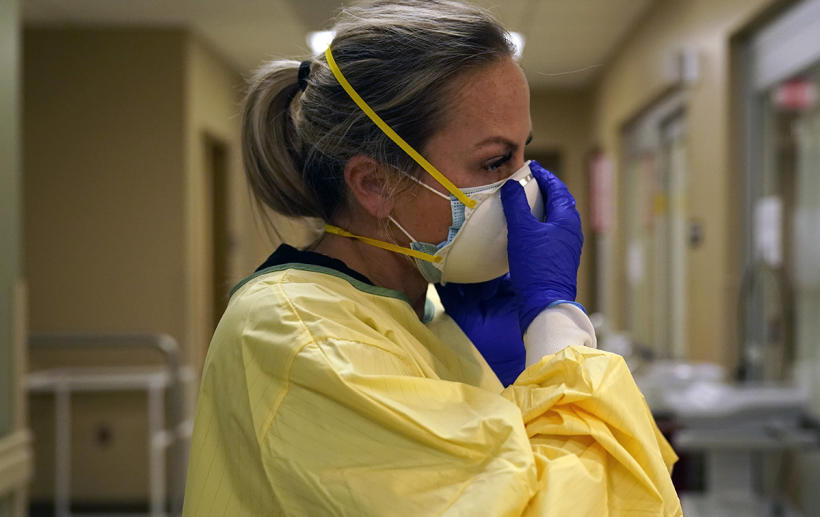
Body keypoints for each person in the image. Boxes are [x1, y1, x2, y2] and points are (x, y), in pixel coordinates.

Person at [183, 0, 681, 515]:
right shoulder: (298, 333)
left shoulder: (421, 313)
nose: (524, 184)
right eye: (494, 161)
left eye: (521, 153)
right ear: (374, 184)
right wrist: (556, 330)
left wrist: (515, 383)